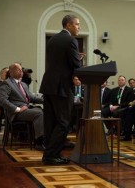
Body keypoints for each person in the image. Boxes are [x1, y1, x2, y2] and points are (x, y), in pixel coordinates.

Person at [39, 15, 84, 165]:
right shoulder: (71, 40)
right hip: (62, 87)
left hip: (48, 85)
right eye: (77, 24)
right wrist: (79, 62)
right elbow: (75, 66)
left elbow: (60, 62)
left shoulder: (53, 39)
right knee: (64, 122)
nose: (79, 27)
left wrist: (75, 58)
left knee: (50, 122)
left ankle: (49, 154)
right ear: (69, 25)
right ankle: (52, 155)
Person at [0, 63, 44, 150]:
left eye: (21, 70)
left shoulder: (23, 84)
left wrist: (46, 98)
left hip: (26, 109)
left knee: (44, 111)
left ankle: (46, 139)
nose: (21, 71)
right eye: (18, 70)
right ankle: (39, 142)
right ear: (11, 72)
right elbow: (2, 100)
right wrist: (17, 109)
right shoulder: (6, 84)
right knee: (39, 113)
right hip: (15, 113)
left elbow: (31, 97)